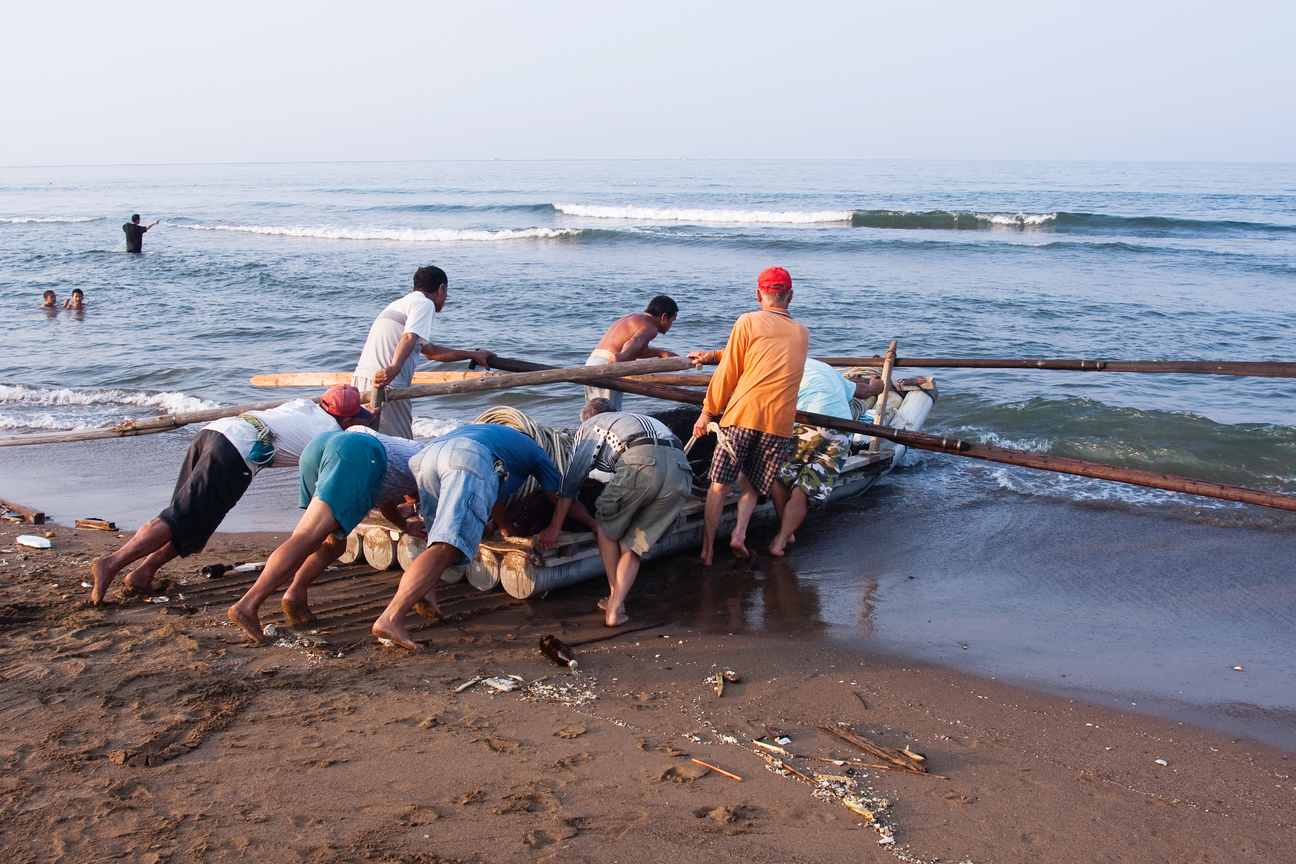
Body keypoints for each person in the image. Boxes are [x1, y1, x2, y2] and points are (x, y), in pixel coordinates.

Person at [89, 384, 374, 605]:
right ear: (345, 417)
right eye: (355, 419)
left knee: (193, 520)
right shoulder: (329, 433)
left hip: (214, 432)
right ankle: (111, 563)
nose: (355, 424)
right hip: (234, 451)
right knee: (180, 517)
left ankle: (143, 573)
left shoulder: (302, 405)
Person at [371, 423, 595, 651]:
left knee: (437, 538)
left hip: (427, 457)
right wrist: (589, 526)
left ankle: (425, 590)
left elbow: (491, 490)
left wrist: (506, 528)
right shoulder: (536, 452)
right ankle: (391, 618)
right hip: (466, 460)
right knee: (447, 546)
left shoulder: (496, 437)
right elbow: (562, 497)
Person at [226, 424, 425, 643]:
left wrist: (405, 526)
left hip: (323, 446)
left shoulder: (408, 457)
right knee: (307, 535)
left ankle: (295, 595)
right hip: (356, 453)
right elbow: (421, 504)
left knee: (332, 543)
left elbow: (387, 504)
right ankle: (247, 605)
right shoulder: (425, 467)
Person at [686, 267, 808, 565]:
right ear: (790, 296)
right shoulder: (802, 332)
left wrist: (707, 412)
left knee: (720, 483)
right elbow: (765, 351)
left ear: (758, 295)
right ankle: (739, 534)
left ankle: (707, 551)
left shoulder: (748, 321)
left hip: (742, 416)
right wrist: (716, 353)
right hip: (779, 425)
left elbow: (729, 370)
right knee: (750, 483)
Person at [538, 398, 692, 627]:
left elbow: (569, 486)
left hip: (641, 462)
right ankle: (616, 605)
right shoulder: (637, 419)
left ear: (586, 419)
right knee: (632, 544)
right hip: (681, 470)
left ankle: (614, 602)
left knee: (605, 526)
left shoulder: (588, 427)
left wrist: (555, 527)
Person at [352, 265, 494, 439]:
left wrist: (473, 355)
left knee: (371, 440)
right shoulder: (424, 304)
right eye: (446, 292)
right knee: (401, 446)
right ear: (441, 289)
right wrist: (395, 367)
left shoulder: (399, 304)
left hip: (361, 380)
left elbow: (431, 351)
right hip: (387, 383)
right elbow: (408, 337)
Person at [584, 295, 679, 409]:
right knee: (609, 414)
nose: (670, 326)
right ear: (664, 316)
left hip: (592, 361)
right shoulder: (651, 327)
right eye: (672, 321)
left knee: (592, 411)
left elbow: (638, 351)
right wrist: (622, 355)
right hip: (608, 363)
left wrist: (661, 353)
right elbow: (635, 341)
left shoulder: (633, 319)